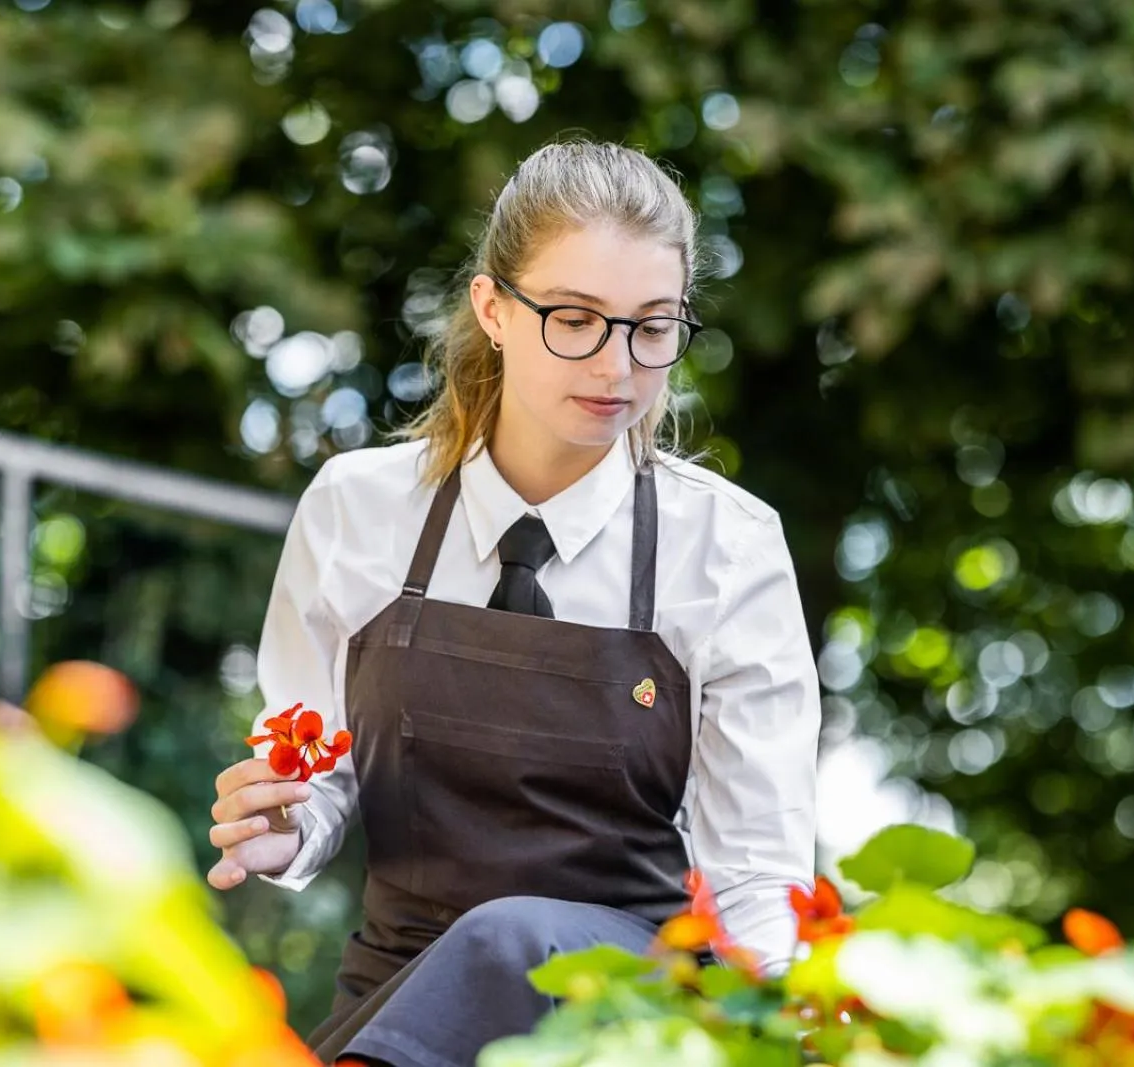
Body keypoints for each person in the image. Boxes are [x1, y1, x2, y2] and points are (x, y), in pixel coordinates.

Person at [206, 139, 821, 1067]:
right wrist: (282, 826)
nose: (616, 365)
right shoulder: (354, 509)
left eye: (652, 328)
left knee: (510, 935)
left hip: (623, 1013)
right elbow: (318, 769)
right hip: (401, 1000)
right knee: (487, 945)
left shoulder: (727, 546)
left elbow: (755, 874)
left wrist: (778, 1035)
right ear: (493, 308)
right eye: (575, 319)